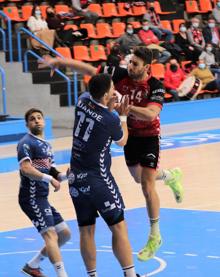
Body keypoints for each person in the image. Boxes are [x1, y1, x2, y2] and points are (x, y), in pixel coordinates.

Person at [39, 48, 184, 263]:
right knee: (138, 177)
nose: (131, 66)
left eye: (135, 64)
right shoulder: (120, 73)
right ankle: (170, 176)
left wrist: (124, 109)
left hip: (148, 136)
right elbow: (89, 69)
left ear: (147, 67)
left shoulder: (155, 86)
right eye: (131, 61)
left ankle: (155, 234)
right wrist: (61, 63)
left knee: (146, 184)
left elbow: (151, 113)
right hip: (127, 133)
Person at [17, 108, 70, 277]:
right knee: (51, 235)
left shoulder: (47, 145)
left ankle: (33, 265)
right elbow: (26, 169)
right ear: (27, 124)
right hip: (30, 197)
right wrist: (49, 179)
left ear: (44, 121)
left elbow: (53, 171)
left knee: (64, 234)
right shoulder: (26, 142)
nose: (37, 120)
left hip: (42, 198)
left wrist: (66, 176)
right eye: (32, 119)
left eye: (39, 117)